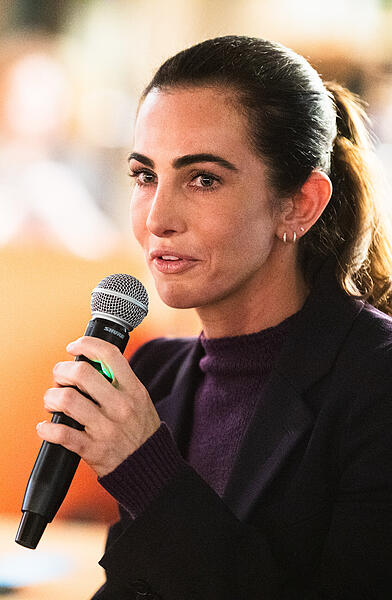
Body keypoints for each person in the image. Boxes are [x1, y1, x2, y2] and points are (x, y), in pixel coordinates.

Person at [36, 35, 392, 598]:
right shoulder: (155, 373)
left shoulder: (375, 380)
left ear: (299, 204)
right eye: (145, 175)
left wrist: (147, 471)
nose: (158, 218)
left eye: (203, 178)